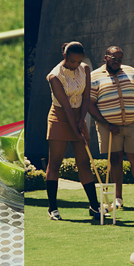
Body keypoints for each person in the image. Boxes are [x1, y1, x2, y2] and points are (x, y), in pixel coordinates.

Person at [87, 45, 134, 211]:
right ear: (106, 57)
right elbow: (90, 104)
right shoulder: (94, 76)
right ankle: (118, 199)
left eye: (120, 59)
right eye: (114, 59)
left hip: (133, 124)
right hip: (108, 127)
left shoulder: (131, 71)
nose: (118, 62)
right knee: (115, 161)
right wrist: (106, 124)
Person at [44, 42, 103, 221]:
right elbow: (67, 107)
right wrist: (76, 129)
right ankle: (52, 208)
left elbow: (86, 97)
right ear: (64, 56)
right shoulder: (54, 76)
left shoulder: (84, 69)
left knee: (84, 162)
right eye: (71, 61)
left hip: (78, 116)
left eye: (78, 61)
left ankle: (94, 206)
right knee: (55, 163)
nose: (75, 65)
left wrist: (82, 121)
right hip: (60, 116)